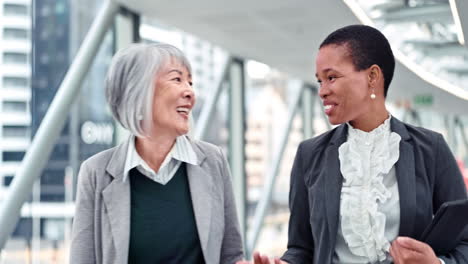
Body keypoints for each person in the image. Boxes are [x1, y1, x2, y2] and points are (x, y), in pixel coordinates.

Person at [238, 25, 468, 264]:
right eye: (319, 81)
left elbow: (464, 242)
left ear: (372, 77)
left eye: (331, 77)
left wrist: (437, 263)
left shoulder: (431, 149)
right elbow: (301, 248)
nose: (322, 91)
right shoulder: (310, 154)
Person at [70, 43, 244, 264]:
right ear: (139, 90)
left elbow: (232, 256)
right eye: (177, 79)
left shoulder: (213, 160)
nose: (190, 92)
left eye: (190, 82)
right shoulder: (96, 173)